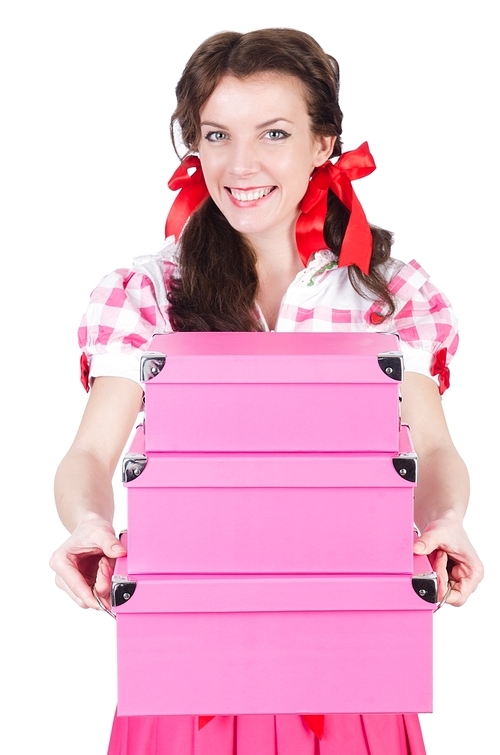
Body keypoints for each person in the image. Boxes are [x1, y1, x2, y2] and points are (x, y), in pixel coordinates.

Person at [50, 28, 483, 755]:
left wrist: (443, 520)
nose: (240, 164)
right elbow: (91, 452)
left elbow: (435, 447)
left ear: (323, 143)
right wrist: (88, 522)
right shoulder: (151, 291)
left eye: (273, 133)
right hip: (187, 656)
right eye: (216, 135)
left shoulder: (387, 291)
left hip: (355, 652)